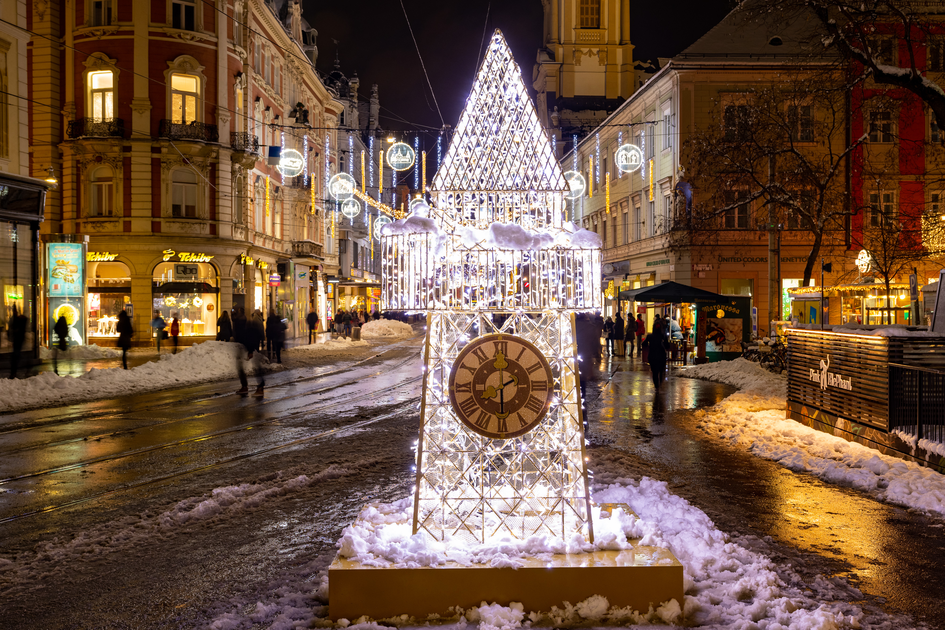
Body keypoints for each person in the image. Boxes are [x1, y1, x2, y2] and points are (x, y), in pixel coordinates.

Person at [235, 307, 266, 396]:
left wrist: (250, 350)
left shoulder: (248, 324)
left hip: (250, 347)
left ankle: (257, 387)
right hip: (249, 347)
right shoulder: (251, 323)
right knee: (255, 367)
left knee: (255, 368)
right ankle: (256, 386)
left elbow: (249, 337)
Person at [642, 319, 669, 390]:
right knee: (661, 371)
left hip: (652, 356)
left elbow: (643, 344)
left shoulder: (650, 336)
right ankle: (660, 384)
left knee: (654, 372)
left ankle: (656, 386)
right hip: (661, 356)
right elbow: (667, 346)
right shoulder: (663, 336)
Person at [7, 305, 28, 379]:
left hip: (18, 341)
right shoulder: (16, 319)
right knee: (16, 356)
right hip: (18, 341)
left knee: (16, 356)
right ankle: (14, 372)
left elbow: (13, 330)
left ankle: (13, 372)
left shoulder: (17, 320)